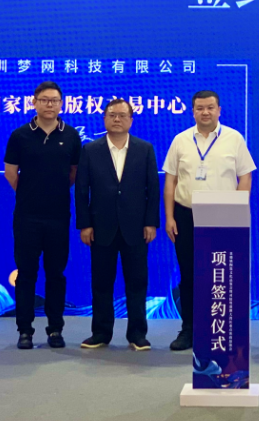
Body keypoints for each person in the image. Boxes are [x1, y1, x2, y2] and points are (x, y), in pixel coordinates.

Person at [163, 90, 256, 351]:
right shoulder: (180, 140)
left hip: (222, 215)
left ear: (219, 110)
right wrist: (169, 216)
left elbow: (245, 177)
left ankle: (222, 329)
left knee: (221, 275)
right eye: (200, 108)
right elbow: (170, 181)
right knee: (189, 274)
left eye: (210, 107)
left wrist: (237, 211)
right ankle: (189, 330)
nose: (205, 112)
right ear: (193, 111)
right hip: (186, 214)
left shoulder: (234, 138)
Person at [75, 99, 160, 351]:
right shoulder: (91, 150)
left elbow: (153, 189)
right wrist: (85, 225)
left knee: (137, 282)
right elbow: (82, 190)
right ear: (104, 119)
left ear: (131, 120)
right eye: (112, 115)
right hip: (101, 227)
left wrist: (151, 222)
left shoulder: (145, 149)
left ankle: (137, 334)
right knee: (101, 283)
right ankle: (101, 333)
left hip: (136, 227)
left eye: (122, 115)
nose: (117, 119)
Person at [3, 81, 81, 350]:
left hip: (58, 216)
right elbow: (10, 172)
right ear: (34, 102)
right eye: (45, 100)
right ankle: (25, 330)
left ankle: (55, 329)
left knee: (56, 274)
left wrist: (53, 192)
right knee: (26, 273)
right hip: (27, 216)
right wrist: (30, 192)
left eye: (55, 100)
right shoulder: (20, 135)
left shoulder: (71, 135)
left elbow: (73, 172)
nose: (50, 104)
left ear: (62, 104)